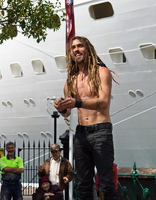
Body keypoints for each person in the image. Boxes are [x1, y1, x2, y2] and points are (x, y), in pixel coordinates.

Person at [54, 36, 119, 200]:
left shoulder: (101, 72)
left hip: (101, 130)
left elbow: (103, 103)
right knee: (83, 185)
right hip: (81, 133)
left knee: (106, 185)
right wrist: (62, 107)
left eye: (80, 46)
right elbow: (68, 113)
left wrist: (76, 101)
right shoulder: (71, 81)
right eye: (73, 47)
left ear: (88, 49)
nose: (76, 49)